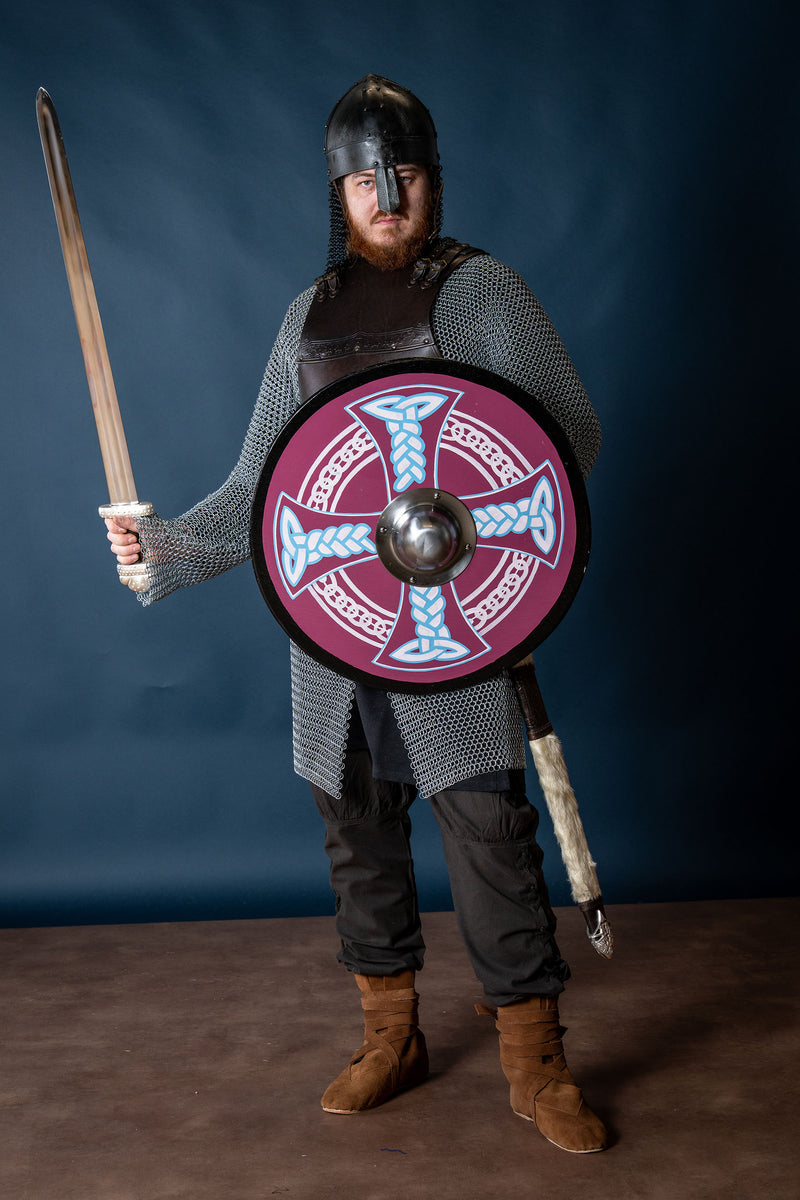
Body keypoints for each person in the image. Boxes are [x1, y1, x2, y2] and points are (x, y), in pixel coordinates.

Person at [105, 75, 607, 1153]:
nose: (389, 195)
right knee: (355, 831)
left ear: (432, 180)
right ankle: (392, 1036)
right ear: (336, 192)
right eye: (366, 179)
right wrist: (166, 551)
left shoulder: (483, 294)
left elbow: (560, 442)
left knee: (484, 829)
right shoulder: (309, 315)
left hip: (454, 618)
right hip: (337, 623)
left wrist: (473, 532)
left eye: (408, 173)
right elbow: (260, 492)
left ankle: (534, 1057)